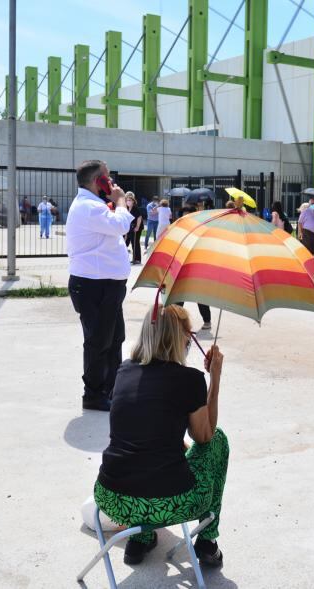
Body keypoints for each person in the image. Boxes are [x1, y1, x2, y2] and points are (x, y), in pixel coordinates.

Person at [94, 305, 228, 567]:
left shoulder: (124, 371)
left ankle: (140, 538)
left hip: (111, 497)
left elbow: (150, 430)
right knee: (218, 440)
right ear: (178, 338)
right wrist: (215, 379)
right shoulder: (189, 380)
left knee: (146, 449)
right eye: (187, 333)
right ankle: (207, 542)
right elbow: (205, 436)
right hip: (168, 504)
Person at [67, 160, 133, 412]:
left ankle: (112, 388)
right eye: (108, 177)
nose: (112, 181)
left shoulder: (94, 205)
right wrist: (119, 201)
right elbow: (120, 225)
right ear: (99, 181)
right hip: (95, 286)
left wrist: (115, 205)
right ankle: (94, 394)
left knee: (115, 338)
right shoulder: (88, 206)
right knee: (98, 342)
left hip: (107, 285)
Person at [124, 193, 144, 265]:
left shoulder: (135, 208)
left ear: (133, 201)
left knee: (135, 242)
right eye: (127, 200)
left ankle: (137, 259)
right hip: (130, 227)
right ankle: (131, 258)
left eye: (130, 200)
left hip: (136, 228)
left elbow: (139, 218)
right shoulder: (127, 208)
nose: (128, 202)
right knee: (127, 241)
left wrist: (137, 227)